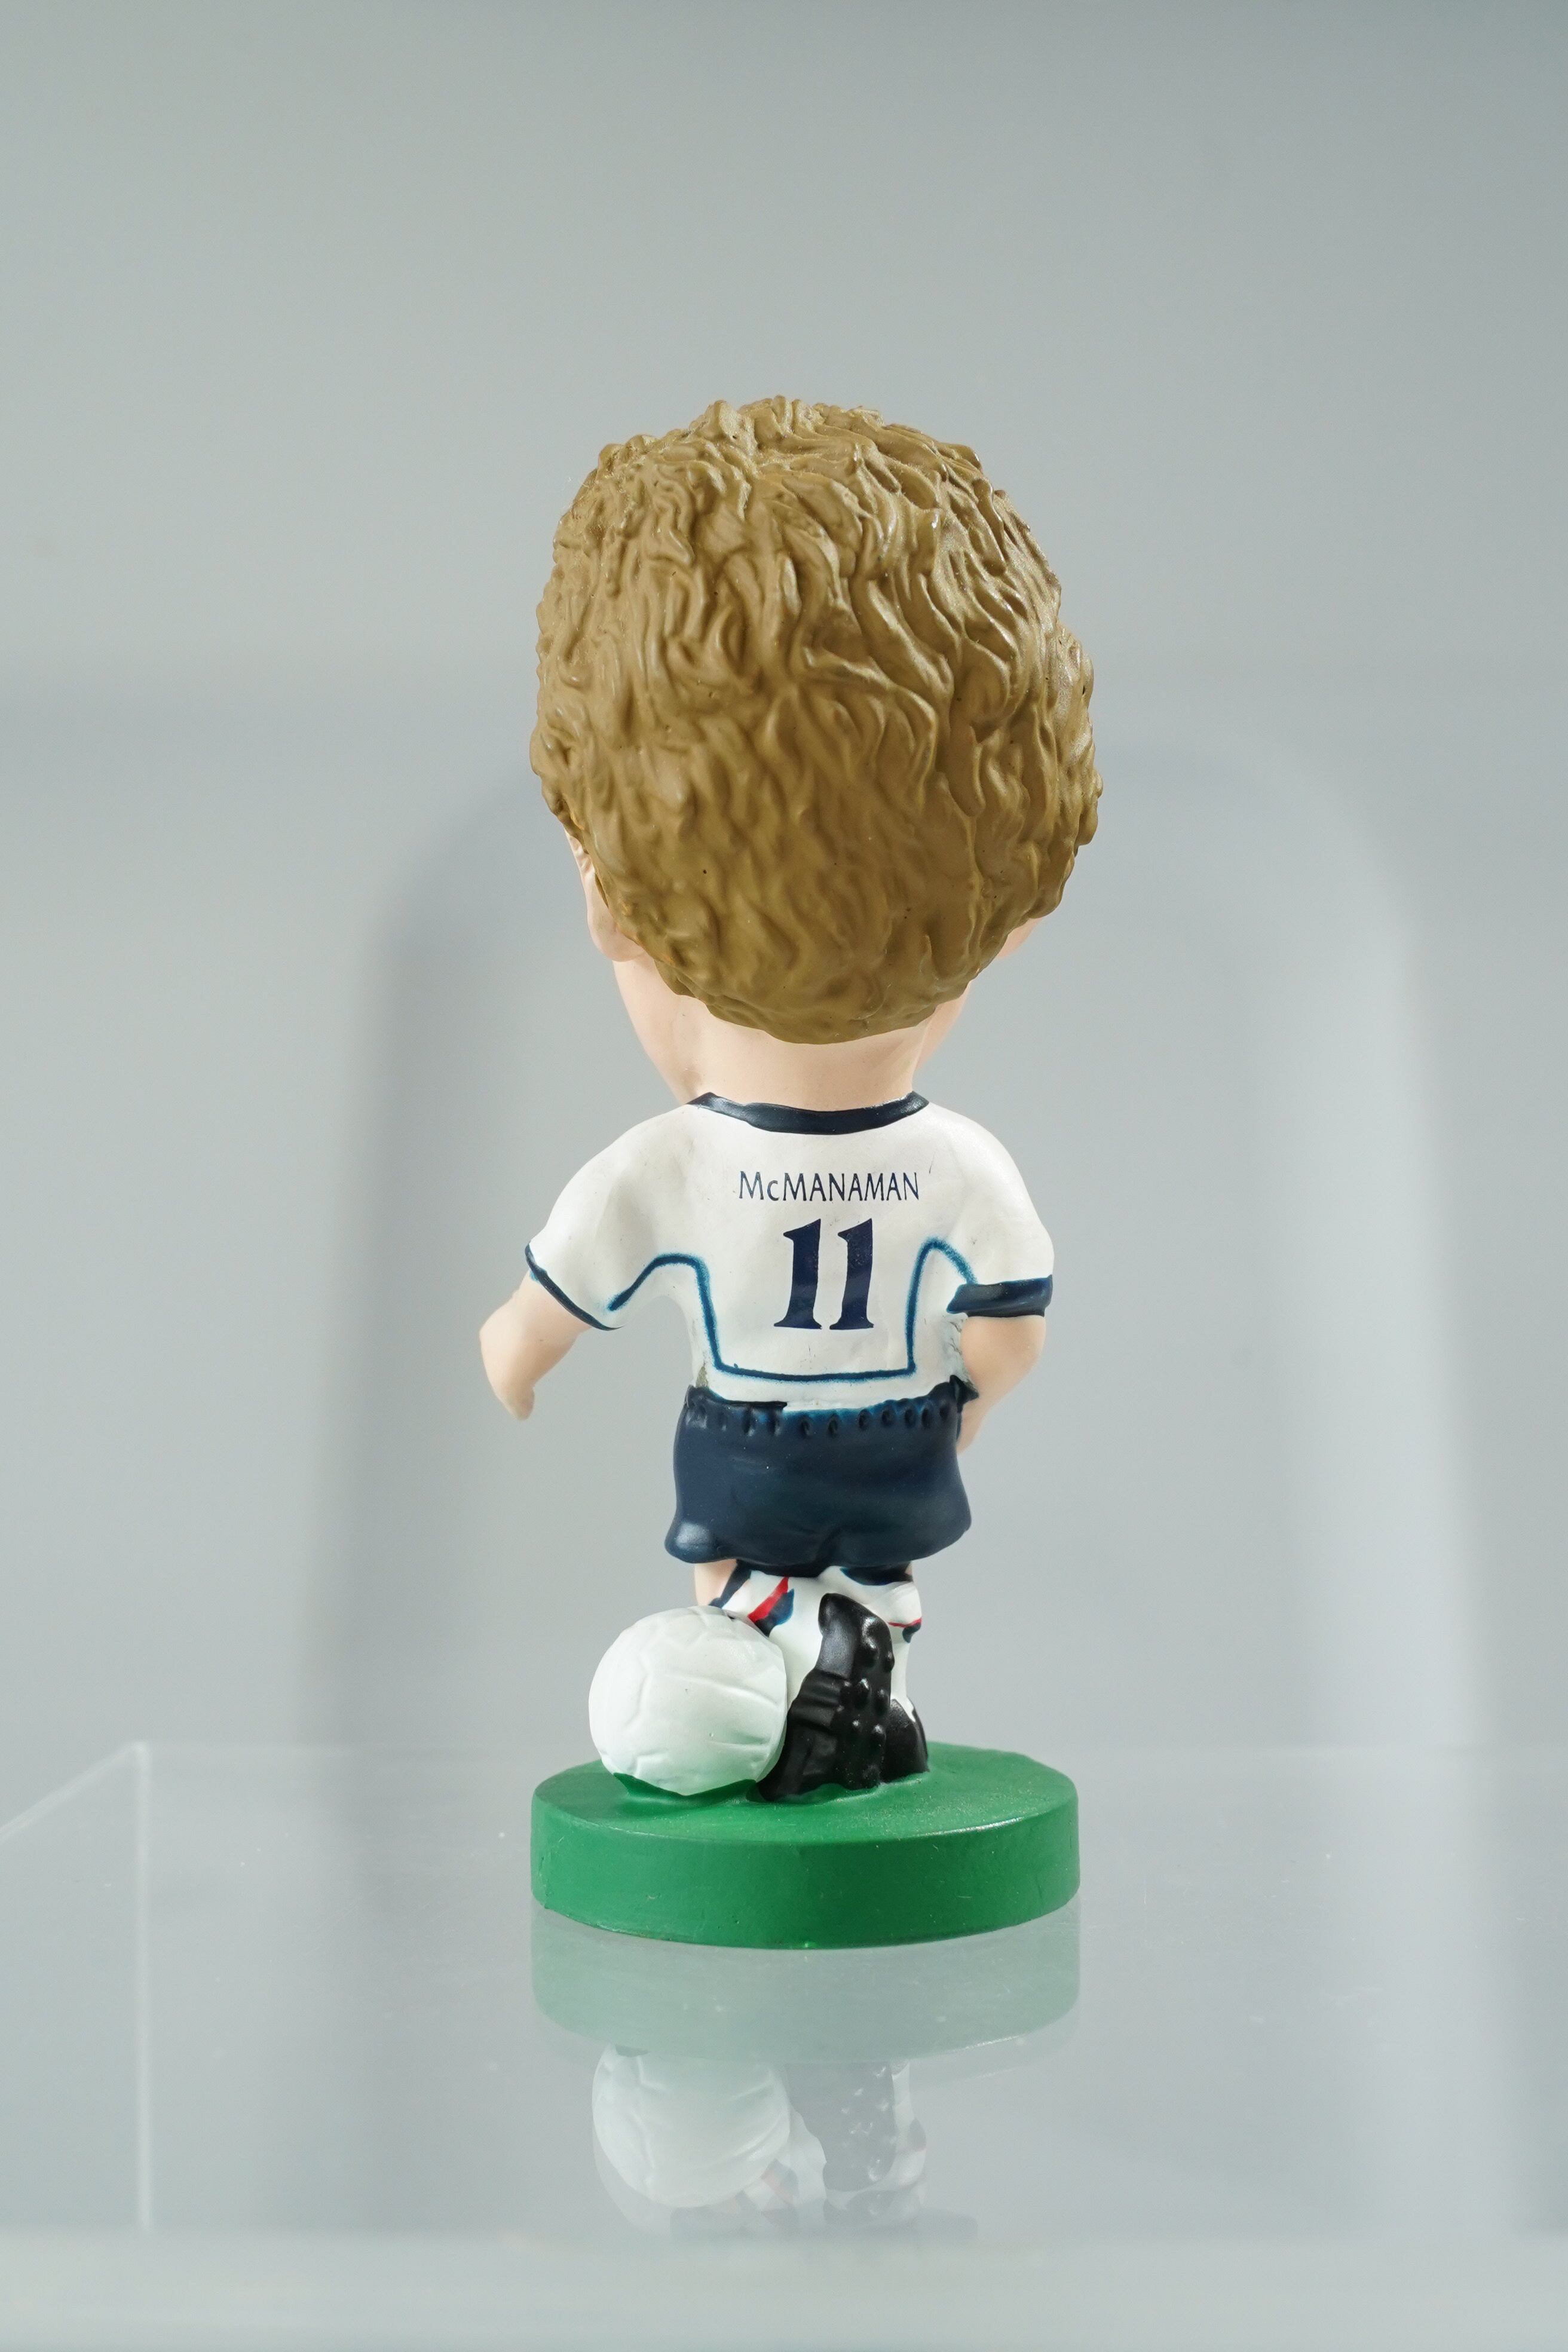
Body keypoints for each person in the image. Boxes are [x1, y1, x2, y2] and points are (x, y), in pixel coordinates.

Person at [481, 396, 1100, 1799]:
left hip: (746, 1434)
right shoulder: (959, 1160)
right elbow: (1012, 1331)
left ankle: (783, 1667)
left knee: (726, 1578)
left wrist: (512, 1352)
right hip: (895, 1431)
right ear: (1011, 925)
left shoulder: (672, 1159)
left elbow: (555, 1296)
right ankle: (861, 1675)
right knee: (877, 1579)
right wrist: (965, 1407)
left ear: (603, 900)